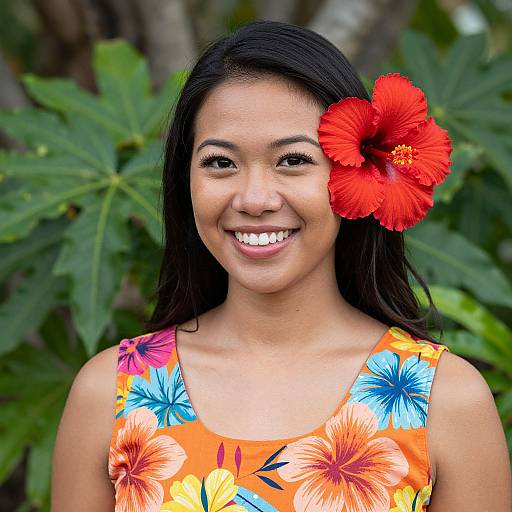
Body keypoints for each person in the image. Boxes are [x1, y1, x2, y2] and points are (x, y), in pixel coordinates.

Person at [51, 20, 511, 512]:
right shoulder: (111, 394)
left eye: (292, 160)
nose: (254, 199)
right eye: (220, 163)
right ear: (184, 183)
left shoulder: (446, 400)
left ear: (355, 175)